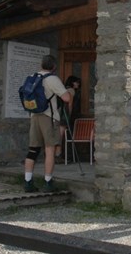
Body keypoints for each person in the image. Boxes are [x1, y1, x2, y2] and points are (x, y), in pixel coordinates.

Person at [24, 55, 71, 193]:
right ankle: (48, 182)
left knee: (33, 150)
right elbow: (66, 98)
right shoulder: (52, 79)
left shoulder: (32, 76)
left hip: (34, 116)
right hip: (49, 117)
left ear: (41, 64)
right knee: (49, 150)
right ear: (54, 67)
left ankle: (28, 182)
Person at [55, 75, 81, 163]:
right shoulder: (71, 90)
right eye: (76, 82)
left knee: (59, 134)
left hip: (57, 113)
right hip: (64, 115)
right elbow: (69, 104)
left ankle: (57, 154)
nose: (78, 84)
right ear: (72, 83)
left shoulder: (63, 89)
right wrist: (69, 115)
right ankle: (58, 155)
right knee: (61, 135)